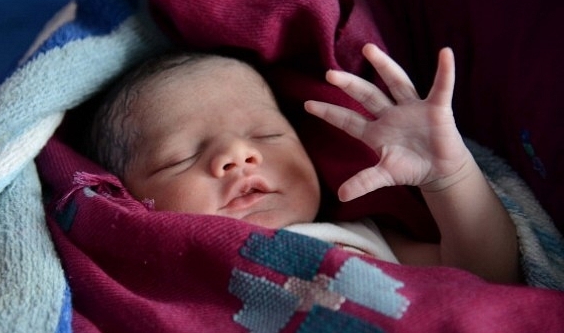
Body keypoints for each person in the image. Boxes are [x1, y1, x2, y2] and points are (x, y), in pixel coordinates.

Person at [88, 44, 520, 284]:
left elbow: (485, 275)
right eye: (181, 156)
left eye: (266, 135)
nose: (238, 155)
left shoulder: (353, 239)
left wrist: (447, 176)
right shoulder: (156, 280)